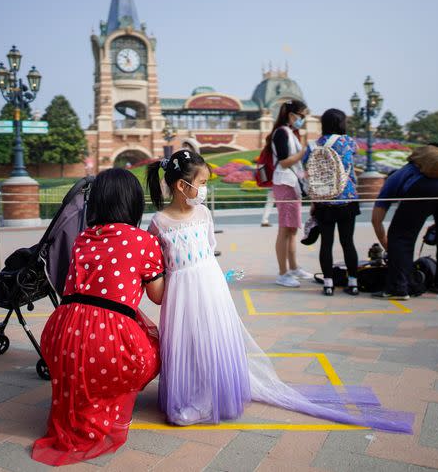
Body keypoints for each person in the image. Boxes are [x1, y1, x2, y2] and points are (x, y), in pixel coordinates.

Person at [144, 149, 413, 432]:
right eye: (201, 183)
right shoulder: (159, 223)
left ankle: (212, 394)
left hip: (211, 286)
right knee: (189, 341)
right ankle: (190, 396)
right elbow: (158, 265)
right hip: (182, 294)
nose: (203, 189)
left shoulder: (204, 213)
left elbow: (209, 249)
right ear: (181, 186)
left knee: (214, 337)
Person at [31, 168, 164, 465]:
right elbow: (157, 295)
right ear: (133, 203)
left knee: (92, 358)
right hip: (108, 341)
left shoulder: (83, 238)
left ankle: (90, 392)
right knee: (153, 351)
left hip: (61, 337)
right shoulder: (143, 241)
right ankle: (106, 393)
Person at [371, 143, 438, 300]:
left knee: (400, 236)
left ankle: (398, 288)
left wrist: (388, 243)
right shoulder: (437, 171)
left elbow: (376, 220)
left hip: (422, 187)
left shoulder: (393, 180)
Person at [302, 109, 360, 296]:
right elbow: (353, 159)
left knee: (326, 243)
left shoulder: (313, 145)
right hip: (347, 199)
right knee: (348, 242)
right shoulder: (349, 142)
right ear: (342, 123)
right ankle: (353, 282)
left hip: (324, 200)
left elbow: (307, 168)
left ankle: (328, 284)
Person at [269, 100, 313, 287]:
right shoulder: (281, 133)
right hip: (285, 183)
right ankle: (282, 273)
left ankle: (293, 268)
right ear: (291, 114)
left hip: (291, 184)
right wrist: (303, 151)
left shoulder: (289, 133)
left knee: (292, 229)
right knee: (285, 229)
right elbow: (284, 162)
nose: (303, 119)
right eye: (301, 115)